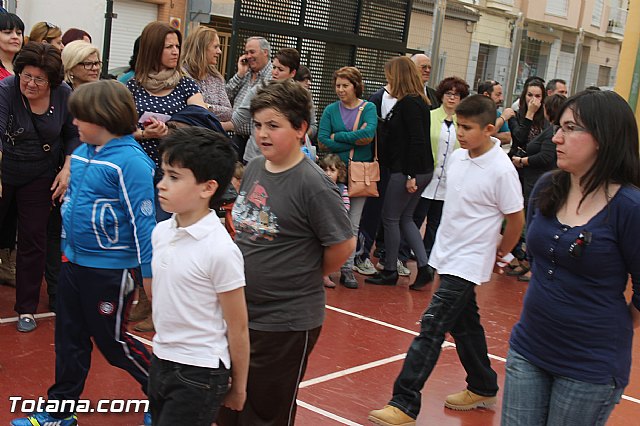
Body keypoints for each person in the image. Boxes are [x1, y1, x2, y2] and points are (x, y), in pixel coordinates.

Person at [368, 95, 524, 426]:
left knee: (432, 326)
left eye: (468, 128)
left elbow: (516, 219)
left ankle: (404, 402)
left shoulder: (501, 169)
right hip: (447, 255)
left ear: (489, 129)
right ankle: (483, 385)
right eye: (459, 126)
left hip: (468, 263)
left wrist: (504, 253)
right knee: (465, 324)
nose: (461, 133)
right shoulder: (457, 159)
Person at [10, 80, 155, 426]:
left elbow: (145, 224)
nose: (74, 123)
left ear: (104, 118)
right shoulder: (84, 153)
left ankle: (166, 395)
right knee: (69, 342)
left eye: (81, 118)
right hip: (74, 265)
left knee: (114, 344)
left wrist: (149, 274)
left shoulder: (131, 163)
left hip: (111, 272)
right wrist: (66, 252)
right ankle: (61, 412)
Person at [217, 79, 355, 426]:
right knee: (229, 406)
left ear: (300, 128)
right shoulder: (256, 168)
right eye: (259, 125)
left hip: (285, 323)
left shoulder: (312, 184)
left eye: (273, 126)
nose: (262, 134)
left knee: (264, 413)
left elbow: (342, 245)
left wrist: (301, 272)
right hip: (242, 314)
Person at [502, 90, 640, 425]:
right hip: (529, 348)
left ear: (604, 139)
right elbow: (539, 260)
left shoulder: (629, 208)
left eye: (571, 128)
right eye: (558, 127)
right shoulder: (548, 186)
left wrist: (608, 323)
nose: (558, 137)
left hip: (589, 365)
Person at [149, 127, 249, 425]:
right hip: (161, 357)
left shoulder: (220, 250)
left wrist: (240, 387)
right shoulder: (161, 232)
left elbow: (238, 326)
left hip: (199, 371)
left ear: (208, 188)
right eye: (164, 174)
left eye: (174, 177)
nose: (162, 185)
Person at [127, 22, 207, 332]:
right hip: (138, 172)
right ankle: (145, 298)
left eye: (177, 46)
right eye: (168, 46)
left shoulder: (188, 86)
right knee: (139, 238)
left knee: (165, 241)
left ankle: (162, 305)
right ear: (152, 49)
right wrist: (144, 132)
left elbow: (202, 124)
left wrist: (169, 131)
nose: (175, 52)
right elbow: (120, 130)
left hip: (173, 174)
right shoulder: (132, 87)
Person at [0, 42, 79, 332]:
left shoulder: (64, 94)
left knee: (33, 239)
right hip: (4, 168)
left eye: (39, 79)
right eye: (26, 76)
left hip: (40, 172)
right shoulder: (6, 90)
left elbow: (73, 135)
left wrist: (68, 168)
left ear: (52, 81)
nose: (31, 84)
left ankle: (26, 308)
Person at [364, 56, 434, 288]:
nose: (388, 79)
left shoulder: (409, 103)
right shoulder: (419, 101)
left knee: (391, 217)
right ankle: (423, 267)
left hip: (406, 170)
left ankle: (391, 269)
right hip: (419, 169)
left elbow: (415, 140)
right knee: (405, 218)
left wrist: (410, 175)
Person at [317, 66, 377, 289]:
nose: (340, 90)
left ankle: (347, 269)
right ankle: (326, 268)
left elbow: (368, 135)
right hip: (333, 172)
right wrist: (353, 138)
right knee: (331, 222)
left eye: (345, 85)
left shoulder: (368, 108)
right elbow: (323, 140)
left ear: (355, 86)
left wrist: (338, 136)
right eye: (338, 86)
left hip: (360, 173)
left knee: (353, 223)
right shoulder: (330, 110)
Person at [412, 76, 469, 288]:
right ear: (441, 95)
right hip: (428, 176)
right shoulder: (430, 116)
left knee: (436, 223)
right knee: (416, 217)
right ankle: (405, 256)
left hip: (450, 182)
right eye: (449, 93)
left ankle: (428, 263)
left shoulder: (462, 121)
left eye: (457, 95)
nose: (452, 98)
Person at [229, 48, 308, 164]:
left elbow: (310, 125)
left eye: (280, 69)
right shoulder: (258, 90)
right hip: (253, 156)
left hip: (283, 158)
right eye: (274, 67)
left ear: (293, 73)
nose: (275, 72)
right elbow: (238, 118)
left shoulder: (300, 96)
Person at [505, 78, 549, 280]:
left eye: (538, 96)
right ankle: (518, 255)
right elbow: (519, 137)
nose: (534, 100)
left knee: (531, 216)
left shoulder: (547, 120)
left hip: (535, 173)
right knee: (510, 215)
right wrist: (529, 114)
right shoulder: (517, 115)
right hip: (516, 170)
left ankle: (527, 259)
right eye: (530, 95)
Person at [0, 12, 24, 287]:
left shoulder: (25, 67)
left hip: (23, 150)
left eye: (18, 31)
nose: (15, 36)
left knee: (13, 213)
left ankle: (6, 260)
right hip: (2, 146)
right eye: (8, 32)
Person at [225, 36, 273, 159]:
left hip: (256, 143)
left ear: (265, 52)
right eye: (246, 53)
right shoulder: (245, 74)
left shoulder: (272, 75)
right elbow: (226, 96)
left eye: (252, 52)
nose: (248, 56)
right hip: (237, 139)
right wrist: (240, 74)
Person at [510, 94, 564, 203]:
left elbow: (545, 156)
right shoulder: (551, 129)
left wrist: (522, 161)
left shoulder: (553, 131)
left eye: (538, 96)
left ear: (547, 109)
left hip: (538, 183)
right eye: (529, 95)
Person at [181, 26, 233, 121]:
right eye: (215, 46)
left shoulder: (216, 78)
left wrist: (207, 107)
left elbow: (229, 113)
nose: (219, 51)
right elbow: (185, 110)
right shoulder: (181, 75)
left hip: (211, 134)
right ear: (202, 48)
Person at [318, 153, 350, 288]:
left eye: (332, 170)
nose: (328, 173)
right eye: (325, 170)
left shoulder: (342, 189)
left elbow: (346, 206)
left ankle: (326, 272)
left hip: (333, 226)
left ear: (339, 172)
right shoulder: (317, 186)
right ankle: (323, 275)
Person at [478, 79, 512, 145]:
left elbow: (508, 137)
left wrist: (488, 136)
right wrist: (503, 118)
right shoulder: (473, 111)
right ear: (486, 95)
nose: (501, 99)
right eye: (498, 95)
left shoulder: (497, 113)